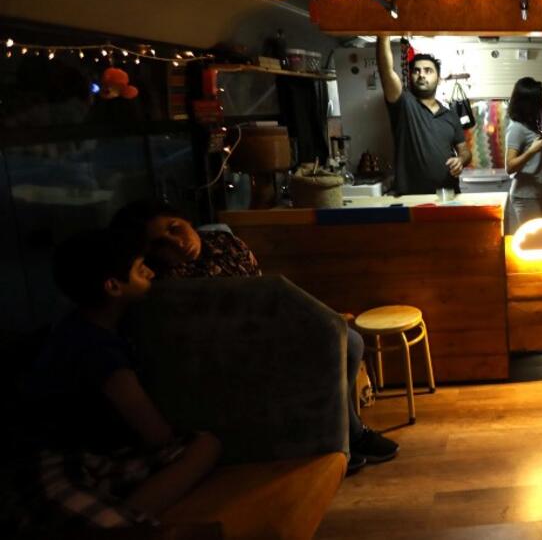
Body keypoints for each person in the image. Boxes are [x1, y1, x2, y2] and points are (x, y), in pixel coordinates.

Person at [109, 200, 397, 473]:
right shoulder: (158, 284)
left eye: (175, 229)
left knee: (349, 341)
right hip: (222, 355)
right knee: (336, 346)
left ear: (187, 220)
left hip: (265, 332)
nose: (177, 243)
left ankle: (346, 432)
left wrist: (323, 319)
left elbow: (264, 295)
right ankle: (337, 440)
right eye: (160, 243)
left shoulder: (226, 244)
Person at [15, 229, 220, 532]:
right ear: (113, 286)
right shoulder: (95, 349)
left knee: (206, 445)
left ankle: (125, 514)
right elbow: (155, 433)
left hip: (99, 458)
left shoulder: (85, 324)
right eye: (140, 270)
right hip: (52, 464)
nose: (150, 272)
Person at [376, 34, 472, 195]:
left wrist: (461, 160)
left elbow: (465, 151)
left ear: (439, 79)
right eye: (416, 71)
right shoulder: (404, 104)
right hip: (411, 198)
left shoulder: (450, 116)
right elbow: (386, 71)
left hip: (448, 196)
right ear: (411, 76)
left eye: (428, 71)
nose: (421, 74)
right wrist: (383, 35)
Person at [505, 77, 542, 233]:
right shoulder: (516, 128)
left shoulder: (529, 125)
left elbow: (533, 164)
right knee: (533, 244)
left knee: (535, 242)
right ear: (528, 103)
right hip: (525, 197)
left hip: (535, 193)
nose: (541, 103)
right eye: (538, 100)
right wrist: (532, 150)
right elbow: (509, 167)